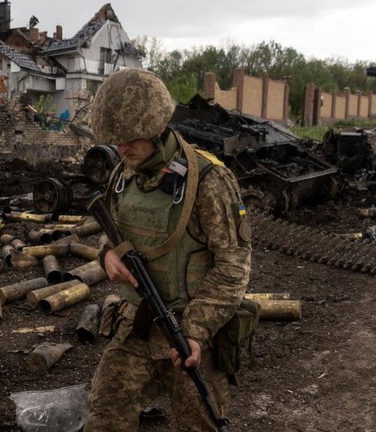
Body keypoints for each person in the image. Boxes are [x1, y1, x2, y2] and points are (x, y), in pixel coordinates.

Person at [83, 68, 252, 431]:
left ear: (159, 129)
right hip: (139, 326)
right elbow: (112, 236)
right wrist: (105, 255)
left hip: (192, 335)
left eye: (131, 139)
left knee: (200, 424)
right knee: (105, 414)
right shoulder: (123, 175)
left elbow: (233, 267)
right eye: (116, 141)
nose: (121, 148)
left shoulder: (208, 180)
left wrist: (195, 330)